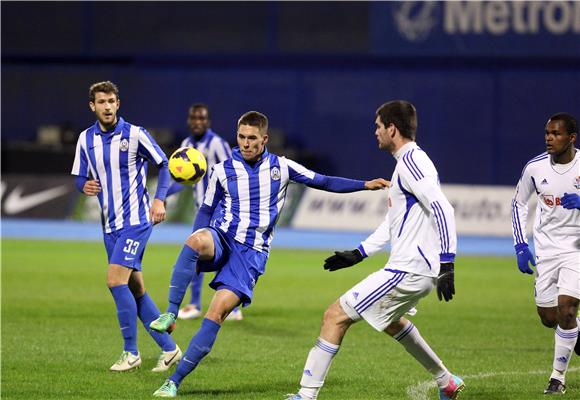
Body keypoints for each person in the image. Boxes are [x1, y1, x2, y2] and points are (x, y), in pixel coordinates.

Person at [148, 110, 390, 397]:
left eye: (252, 138)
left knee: (216, 313)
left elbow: (323, 181)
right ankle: (171, 314)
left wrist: (363, 184)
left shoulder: (282, 167)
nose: (246, 143)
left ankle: (174, 381)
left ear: (264, 139)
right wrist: (196, 244)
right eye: (241, 137)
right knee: (195, 240)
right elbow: (206, 210)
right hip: (222, 237)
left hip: (251, 255)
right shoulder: (221, 170)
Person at [286, 100, 464, 400]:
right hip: (412, 268)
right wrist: (359, 253)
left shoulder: (411, 164)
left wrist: (448, 263)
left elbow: (443, 208)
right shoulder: (408, 164)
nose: (375, 132)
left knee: (334, 316)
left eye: (378, 126)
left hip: (408, 269)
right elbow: (393, 221)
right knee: (391, 322)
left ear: (392, 129)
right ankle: (446, 381)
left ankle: (306, 395)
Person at [70, 81, 182, 372]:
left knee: (114, 281)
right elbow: (79, 177)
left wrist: (159, 200)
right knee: (135, 290)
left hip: (135, 222)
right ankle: (170, 350)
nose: (107, 106)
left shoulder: (135, 134)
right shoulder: (85, 139)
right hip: (110, 226)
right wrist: (85, 186)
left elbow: (165, 164)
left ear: (118, 104)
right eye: (101, 102)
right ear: (92, 106)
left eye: (111, 101)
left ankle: (131, 353)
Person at [511, 112, 579, 395]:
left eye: (556, 134)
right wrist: (520, 245)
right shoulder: (535, 168)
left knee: (567, 308)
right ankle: (570, 331)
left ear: (571, 138)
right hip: (546, 251)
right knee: (549, 317)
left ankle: (557, 378)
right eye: (547, 133)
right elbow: (518, 203)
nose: (549, 138)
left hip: (576, 249)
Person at [165, 104, 241, 321]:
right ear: (189, 120)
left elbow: (234, 170)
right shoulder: (186, 145)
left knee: (223, 255)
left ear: (208, 121)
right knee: (195, 253)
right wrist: (163, 195)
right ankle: (196, 304)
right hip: (203, 209)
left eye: (202, 118)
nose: (197, 121)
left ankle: (231, 306)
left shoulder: (217, 144)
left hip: (222, 210)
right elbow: (183, 180)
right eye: (194, 118)